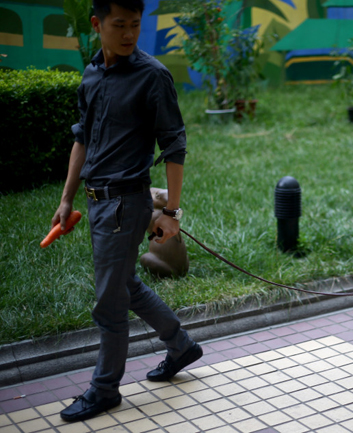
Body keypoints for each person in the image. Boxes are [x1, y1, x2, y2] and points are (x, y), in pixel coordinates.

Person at [51, 0, 202, 422]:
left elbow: (175, 145)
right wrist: (66, 198)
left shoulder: (151, 76)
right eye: (119, 25)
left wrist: (171, 211)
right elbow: (82, 139)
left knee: (109, 303)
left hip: (124, 204)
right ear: (98, 24)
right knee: (126, 285)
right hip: (97, 203)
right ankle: (181, 345)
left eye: (135, 24)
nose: (129, 33)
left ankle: (104, 390)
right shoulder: (92, 73)